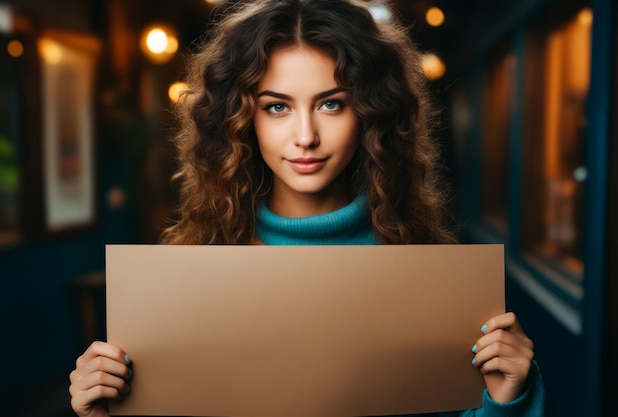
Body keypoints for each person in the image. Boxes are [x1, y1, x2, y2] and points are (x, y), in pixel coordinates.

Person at [69, 0, 545, 416]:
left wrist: (506, 400)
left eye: (331, 104)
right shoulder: (196, 265)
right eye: (277, 107)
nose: (305, 136)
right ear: (240, 119)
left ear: (370, 114)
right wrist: (107, 412)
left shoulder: (424, 268)